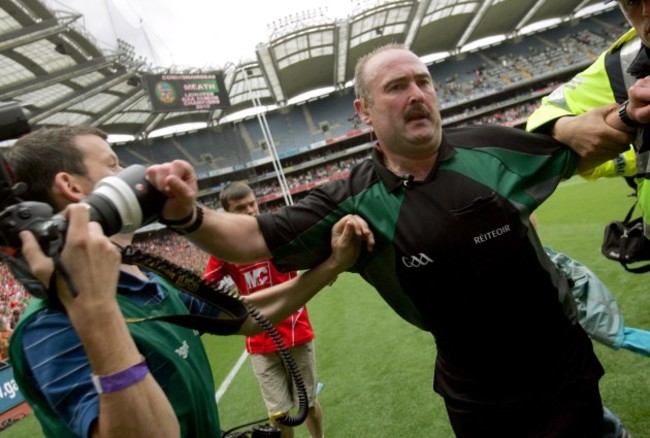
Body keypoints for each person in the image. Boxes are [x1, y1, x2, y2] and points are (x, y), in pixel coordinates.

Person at [145, 44, 642, 437]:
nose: (416, 94)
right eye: (397, 86)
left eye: (423, 81)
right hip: (476, 395)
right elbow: (248, 237)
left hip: (563, 366)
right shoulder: (352, 199)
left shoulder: (490, 147)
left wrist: (626, 114)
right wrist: (186, 214)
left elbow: (578, 140)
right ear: (364, 111)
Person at [5, 126, 366, 437]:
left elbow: (244, 316)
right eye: (112, 163)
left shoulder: (147, 278)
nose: (135, 174)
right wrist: (97, 313)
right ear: (71, 186)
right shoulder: (49, 324)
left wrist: (332, 264)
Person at [203, 181, 323, 438]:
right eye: (240, 208)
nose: (249, 211)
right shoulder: (224, 248)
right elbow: (206, 287)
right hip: (259, 340)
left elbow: (313, 244)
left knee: (308, 405)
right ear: (226, 214)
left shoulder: (276, 229)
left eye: (252, 204)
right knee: (279, 415)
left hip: (295, 330)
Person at [526, 0, 650, 239]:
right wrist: (563, 128)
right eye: (631, 1)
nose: (646, 11)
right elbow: (545, 114)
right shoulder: (622, 63)